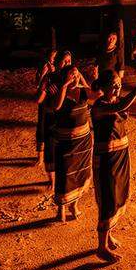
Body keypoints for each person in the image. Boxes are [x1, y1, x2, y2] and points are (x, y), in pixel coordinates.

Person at [91, 69, 136, 262]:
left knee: (119, 195)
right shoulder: (99, 106)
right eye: (113, 84)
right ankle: (101, 247)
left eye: (119, 84)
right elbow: (123, 104)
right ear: (103, 87)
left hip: (121, 155)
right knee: (108, 198)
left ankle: (109, 235)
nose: (117, 87)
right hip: (107, 158)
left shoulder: (118, 104)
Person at [49, 62, 100, 223]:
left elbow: (98, 94)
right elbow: (56, 107)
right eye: (72, 74)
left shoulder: (82, 91)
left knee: (80, 174)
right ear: (65, 77)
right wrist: (64, 86)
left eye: (77, 73)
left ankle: (74, 205)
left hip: (83, 141)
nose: (75, 76)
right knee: (65, 175)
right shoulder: (58, 91)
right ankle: (61, 208)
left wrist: (86, 79)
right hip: (65, 142)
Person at [39, 50, 72, 187]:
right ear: (57, 62)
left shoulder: (72, 78)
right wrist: (44, 86)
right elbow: (39, 100)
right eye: (64, 61)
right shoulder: (50, 78)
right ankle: (52, 180)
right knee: (51, 150)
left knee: (66, 151)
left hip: (66, 119)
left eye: (69, 61)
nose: (67, 64)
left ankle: (64, 177)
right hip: (52, 119)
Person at [34, 49, 58, 163]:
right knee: (41, 126)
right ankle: (40, 155)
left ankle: (53, 154)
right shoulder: (44, 67)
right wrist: (43, 74)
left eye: (54, 58)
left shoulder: (60, 71)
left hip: (55, 102)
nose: (52, 60)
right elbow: (38, 85)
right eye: (51, 58)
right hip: (45, 102)